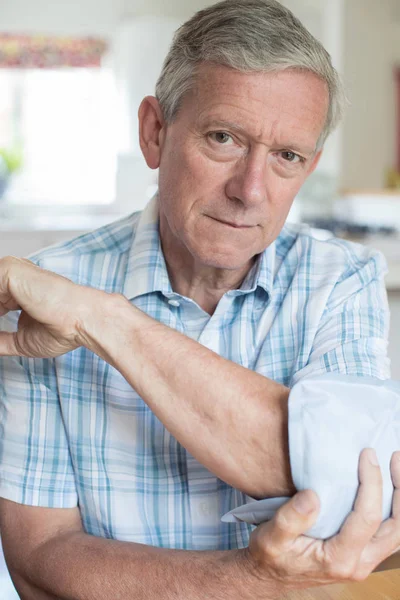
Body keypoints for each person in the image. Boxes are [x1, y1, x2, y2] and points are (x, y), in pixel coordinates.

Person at [0, 0, 399, 597]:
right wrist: (251, 581)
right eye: (223, 138)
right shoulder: (50, 284)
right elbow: (39, 560)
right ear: (155, 132)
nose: (251, 191)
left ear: (310, 164)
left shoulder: (342, 278)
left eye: (287, 157)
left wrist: (103, 319)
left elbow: (353, 494)